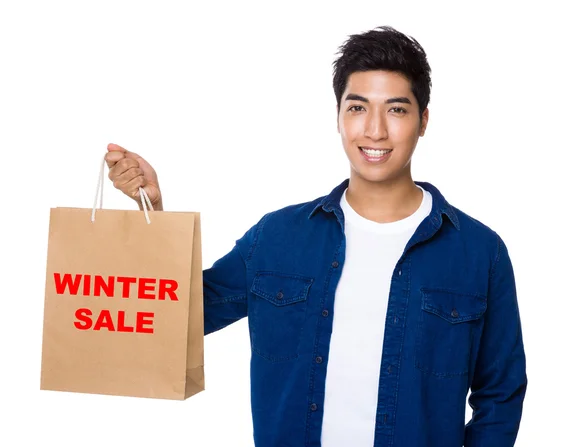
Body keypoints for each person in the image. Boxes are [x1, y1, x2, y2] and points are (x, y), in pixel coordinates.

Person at [105, 26, 527, 447]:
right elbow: (182, 314)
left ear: (423, 120)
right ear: (339, 116)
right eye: (357, 108)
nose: (375, 131)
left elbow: (500, 394)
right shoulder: (277, 238)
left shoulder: (478, 252)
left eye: (396, 110)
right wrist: (152, 212)